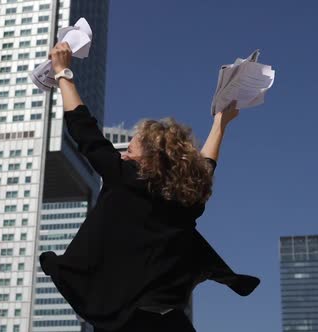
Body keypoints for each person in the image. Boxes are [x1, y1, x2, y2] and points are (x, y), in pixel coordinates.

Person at [39, 42, 260, 332]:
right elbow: (206, 167)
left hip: (128, 322)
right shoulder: (187, 198)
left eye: (130, 151)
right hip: (171, 322)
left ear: (151, 158)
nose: (123, 155)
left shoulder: (125, 178)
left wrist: (62, 71)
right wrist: (220, 123)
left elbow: (84, 130)